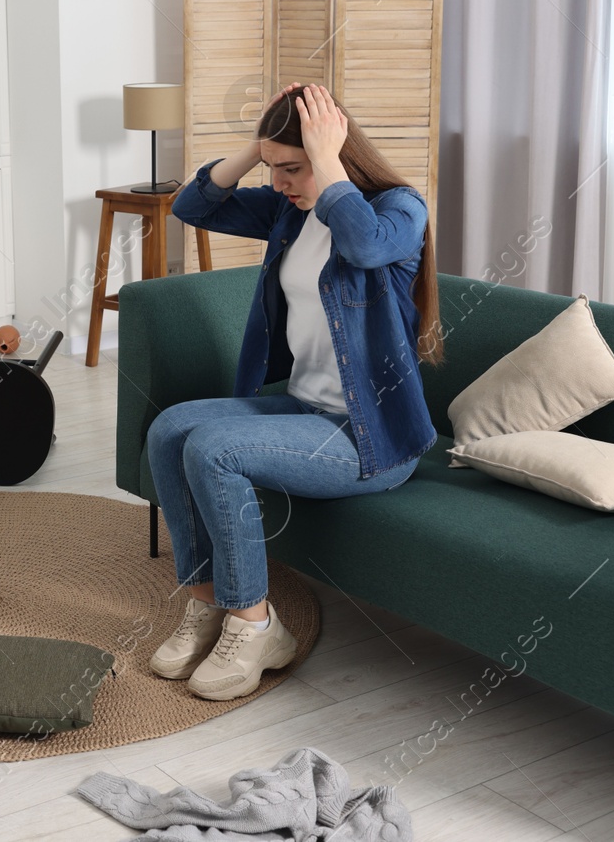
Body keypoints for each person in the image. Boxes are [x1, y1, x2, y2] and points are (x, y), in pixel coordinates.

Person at [147, 82, 445, 701]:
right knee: (171, 427)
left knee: (214, 450)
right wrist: (256, 152)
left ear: (335, 151)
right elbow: (192, 208)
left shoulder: (399, 210)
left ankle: (256, 626)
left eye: (293, 168)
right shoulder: (291, 210)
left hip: (370, 436)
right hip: (306, 409)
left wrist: (326, 161)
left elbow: (363, 247)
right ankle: (206, 604)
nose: (282, 183)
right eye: (274, 168)